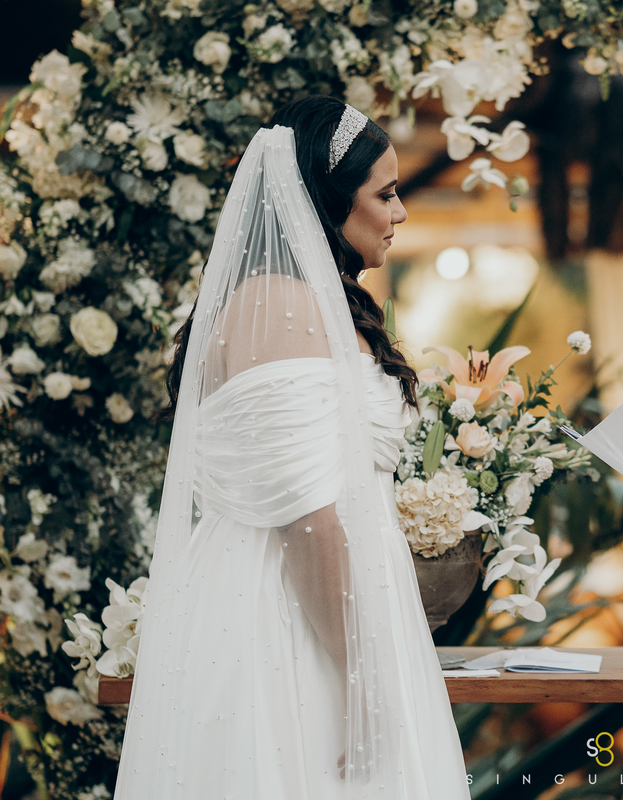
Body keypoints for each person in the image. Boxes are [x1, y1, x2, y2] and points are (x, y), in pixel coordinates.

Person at [114, 96, 471, 799]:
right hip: (293, 615)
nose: (400, 214)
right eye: (387, 194)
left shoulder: (300, 299)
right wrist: (358, 673)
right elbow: (308, 516)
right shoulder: (280, 305)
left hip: (330, 598)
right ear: (329, 200)